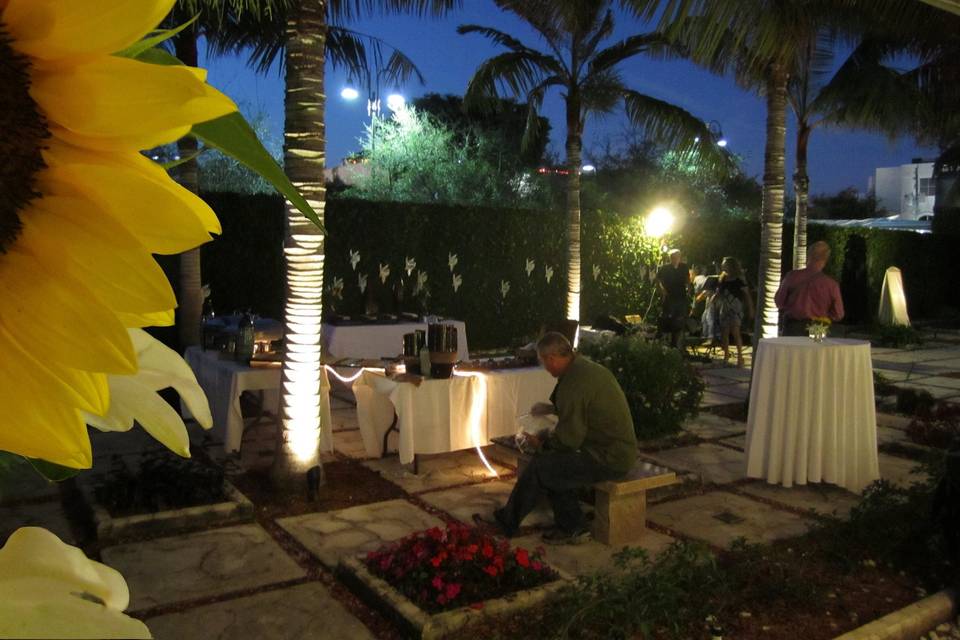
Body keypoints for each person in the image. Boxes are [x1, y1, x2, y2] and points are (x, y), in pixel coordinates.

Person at [473, 332, 637, 545]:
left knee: (543, 466)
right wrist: (550, 409)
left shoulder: (575, 381)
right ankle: (573, 526)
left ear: (552, 358)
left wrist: (542, 443)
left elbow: (570, 439)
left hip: (609, 457)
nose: (545, 367)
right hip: (613, 450)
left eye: (543, 362)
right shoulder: (583, 369)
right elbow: (582, 409)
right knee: (554, 466)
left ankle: (507, 522)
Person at [774, 241, 845, 336]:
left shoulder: (792, 276)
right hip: (819, 327)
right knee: (815, 350)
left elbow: (779, 302)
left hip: (793, 327)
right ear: (826, 259)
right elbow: (839, 314)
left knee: (791, 350)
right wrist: (824, 316)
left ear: (809, 256)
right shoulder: (832, 285)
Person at [714, 257, 754, 367]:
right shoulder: (723, 279)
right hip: (725, 307)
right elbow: (718, 292)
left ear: (731, 265)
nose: (723, 266)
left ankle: (740, 357)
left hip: (735, 308)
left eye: (724, 264)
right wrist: (714, 299)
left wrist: (751, 309)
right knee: (724, 333)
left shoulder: (739, 279)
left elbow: (747, 295)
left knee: (735, 332)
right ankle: (726, 357)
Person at [656, 249, 691, 348]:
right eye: (673, 257)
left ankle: (677, 344)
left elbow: (687, 278)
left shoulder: (684, 267)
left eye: (677, 257)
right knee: (668, 319)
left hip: (681, 296)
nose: (675, 259)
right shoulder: (665, 268)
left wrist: (689, 288)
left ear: (680, 258)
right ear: (670, 258)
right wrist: (662, 290)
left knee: (680, 320)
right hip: (669, 297)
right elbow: (658, 279)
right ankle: (667, 342)